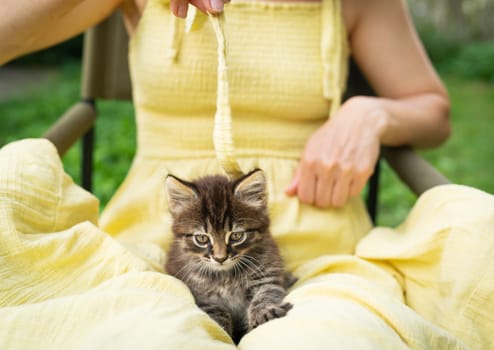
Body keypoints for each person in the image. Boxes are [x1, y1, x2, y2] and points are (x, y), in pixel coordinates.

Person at [0, 0, 493, 349]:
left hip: (326, 257)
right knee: (143, 337)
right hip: (151, 253)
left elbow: (434, 111)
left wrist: (372, 114)